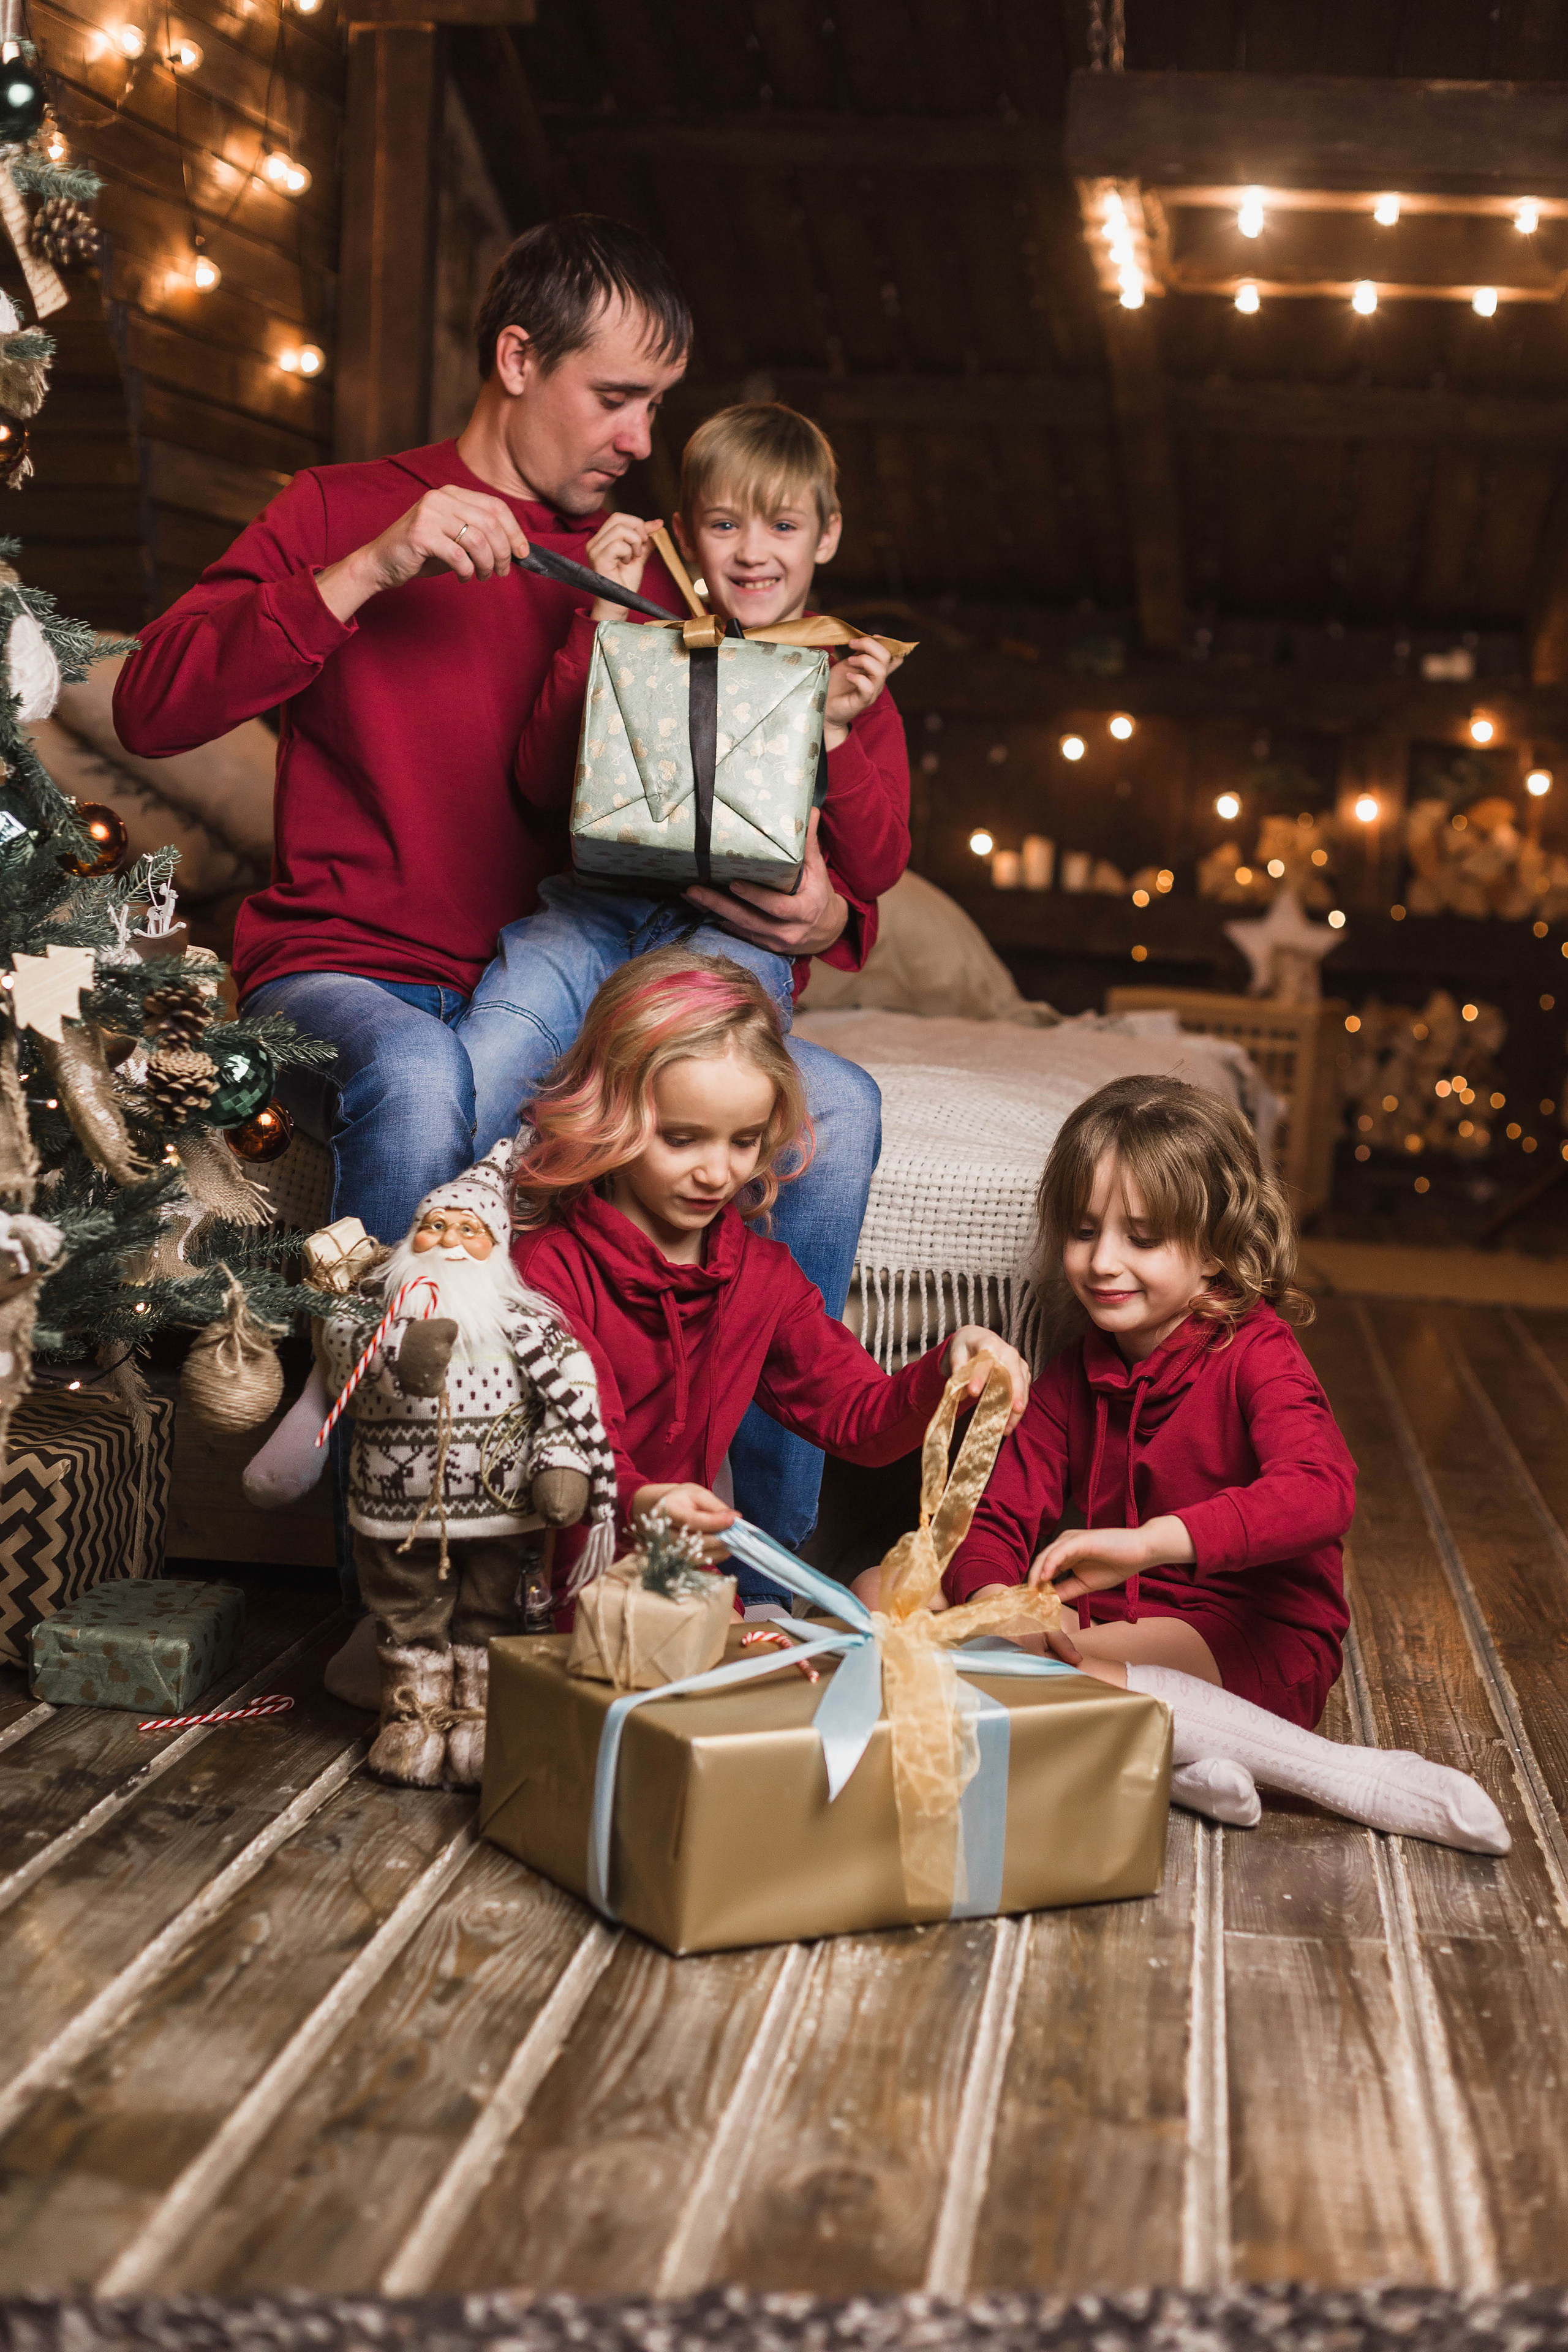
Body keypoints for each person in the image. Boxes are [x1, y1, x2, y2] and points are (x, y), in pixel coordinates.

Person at [462, 401, 910, 1575]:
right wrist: (596, 626)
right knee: (499, 1041)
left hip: (728, 944)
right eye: (724, 524)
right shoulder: (639, 622)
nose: (752, 552)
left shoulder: (843, 665)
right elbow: (540, 782)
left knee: (793, 1101)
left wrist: (844, 736)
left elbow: (877, 865)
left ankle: (768, 1545)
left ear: (827, 536)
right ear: (682, 530)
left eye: (783, 527)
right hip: (593, 912)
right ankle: (420, 1330)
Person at [852, 1074, 1506, 1854]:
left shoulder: (1259, 1355)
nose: (1103, 1261)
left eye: (1143, 1238)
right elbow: (993, 1517)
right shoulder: (1075, 1371)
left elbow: (1320, 1492)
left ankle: (1335, 1772)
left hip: (1250, 1635)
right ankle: (1184, 1763)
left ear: (1217, 1247)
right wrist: (996, 1601)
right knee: (882, 1590)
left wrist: (1152, 1543)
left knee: (1015, 1670)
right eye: (1084, 1230)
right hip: (1115, 1622)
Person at [507, 946, 1030, 1586]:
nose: (717, 1173)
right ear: (610, 1114)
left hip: (683, 1590)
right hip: (553, 1596)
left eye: (745, 1140)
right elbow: (582, 1446)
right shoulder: (549, 1270)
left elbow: (858, 1417)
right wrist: (645, 1504)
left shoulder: (761, 1278)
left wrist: (950, 1364)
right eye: (681, 1139)